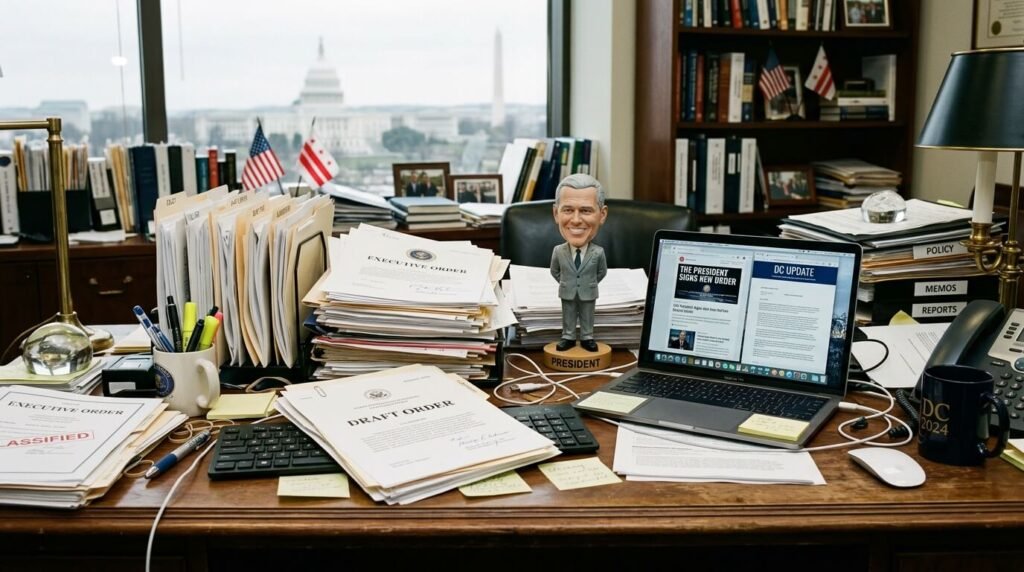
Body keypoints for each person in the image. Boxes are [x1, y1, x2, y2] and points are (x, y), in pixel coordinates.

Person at [549, 173, 608, 352]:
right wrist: (567, 282)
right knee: (568, 314)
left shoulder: (598, 252)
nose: (575, 220)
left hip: (588, 291)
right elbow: (555, 271)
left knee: (587, 315)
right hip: (567, 290)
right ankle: (567, 336)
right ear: (556, 213)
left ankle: (587, 337)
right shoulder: (558, 251)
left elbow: (601, 272)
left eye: (586, 210)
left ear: (602, 214)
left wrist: (588, 283)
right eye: (567, 210)